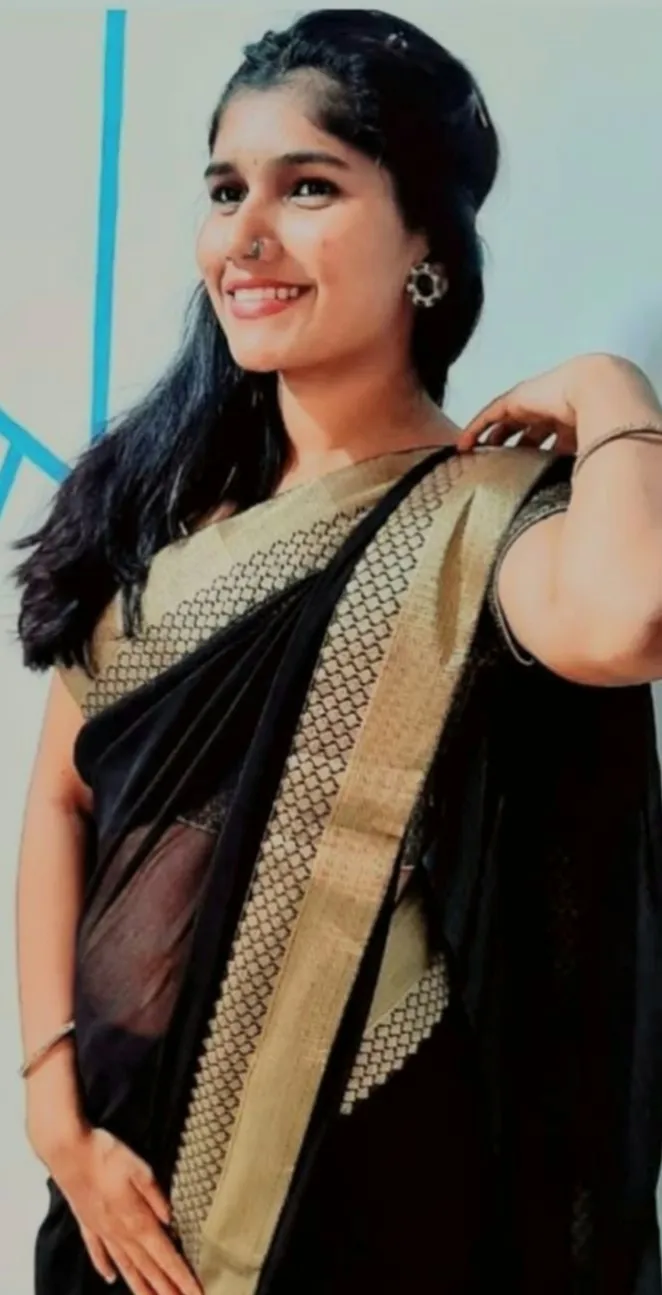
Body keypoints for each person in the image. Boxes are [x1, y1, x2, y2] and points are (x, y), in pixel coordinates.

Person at [13, 9, 662, 1294]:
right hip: (110, 1198)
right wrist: (52, 1104)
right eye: (225, 192)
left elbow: (626, 620)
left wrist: (612, 390)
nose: (244, 236)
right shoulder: (154, 508)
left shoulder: (484, 521)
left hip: (357, 1207)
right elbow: (58, 799)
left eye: (307, 187)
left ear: (425, 242)